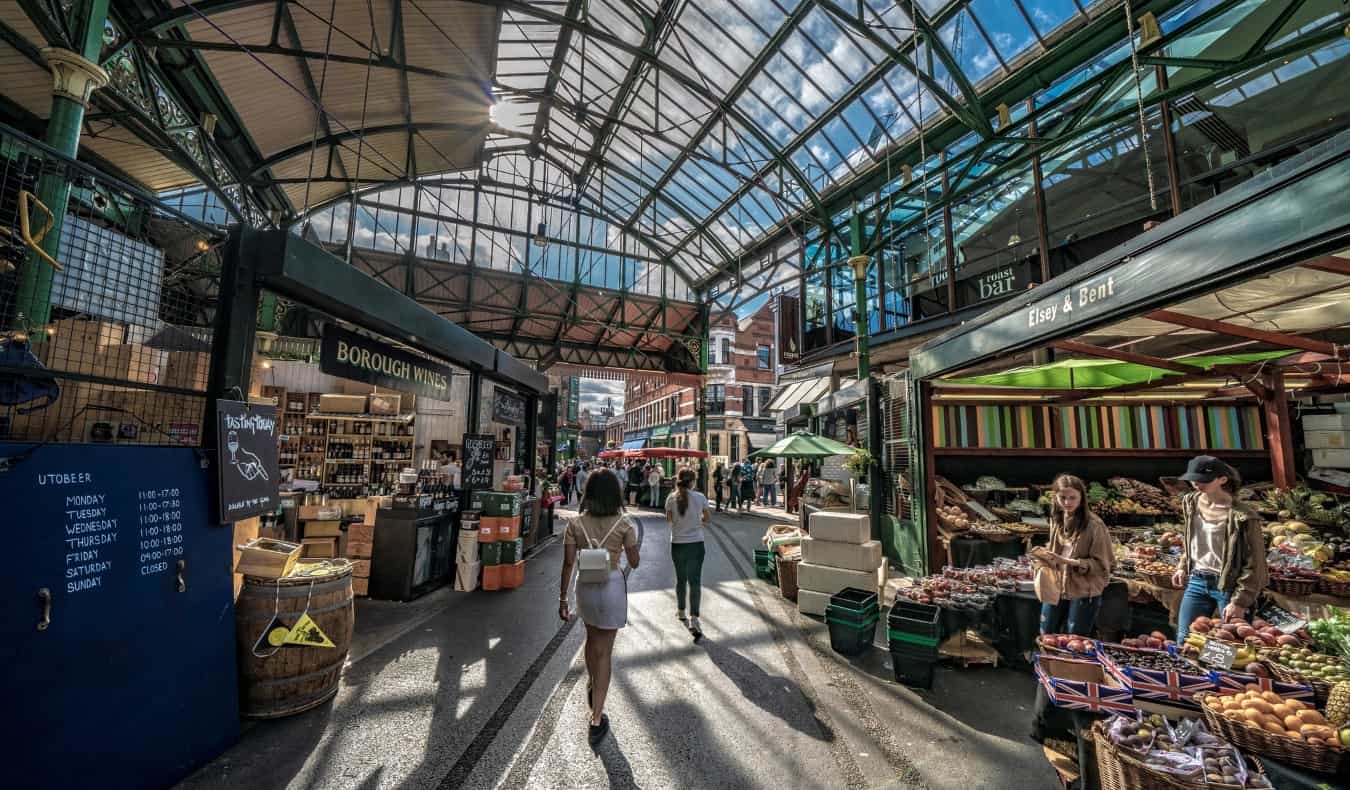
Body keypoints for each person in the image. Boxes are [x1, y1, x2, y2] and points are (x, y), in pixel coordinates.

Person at [559, 469, 640, 745]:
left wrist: (562, 600)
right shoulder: (624, 523)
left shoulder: (575, 524)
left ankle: (593, 682)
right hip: (612, 586)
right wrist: (622, 549)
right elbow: (636, 561)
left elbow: (569, 563)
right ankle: (596, 718)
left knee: (591, 639)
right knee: (604, 651)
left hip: (585, 587)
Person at [1172, 456, 1267, 642]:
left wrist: (1240, 601)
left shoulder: (1244, 516)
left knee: (1228, 646)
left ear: (1223, 479)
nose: (1197, 484)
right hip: (1197, 580)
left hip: (1229, 586)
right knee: (1185, 639)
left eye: (1203, 480)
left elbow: (1255, 563)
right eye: (1193, 479)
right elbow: (1191, 538)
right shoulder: (1190, 502)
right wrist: (1183, 565)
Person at [1032, 474, 1113, 637]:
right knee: (1046, 634)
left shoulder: (1095, 525)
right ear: (1055, 497)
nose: (1067, 503)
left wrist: (1069, 562)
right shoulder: (1057, 518)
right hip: (1056, 585)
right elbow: (1060, 549)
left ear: (1082, 498)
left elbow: (1103, 565)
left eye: (1072, 498)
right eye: (1062, 497)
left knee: (1074, 640)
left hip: (1083, 589)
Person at [665, 468, 711, 638]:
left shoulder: (671, 498)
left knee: (681, 579)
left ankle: (681, 611)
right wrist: (696, 521)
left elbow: (669, 519)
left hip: (677, 544)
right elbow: (708, 519)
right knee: (695, 581)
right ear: (692, 481)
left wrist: (680, 523)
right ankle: (694, 617)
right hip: (696, 544)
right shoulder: (700, 498)